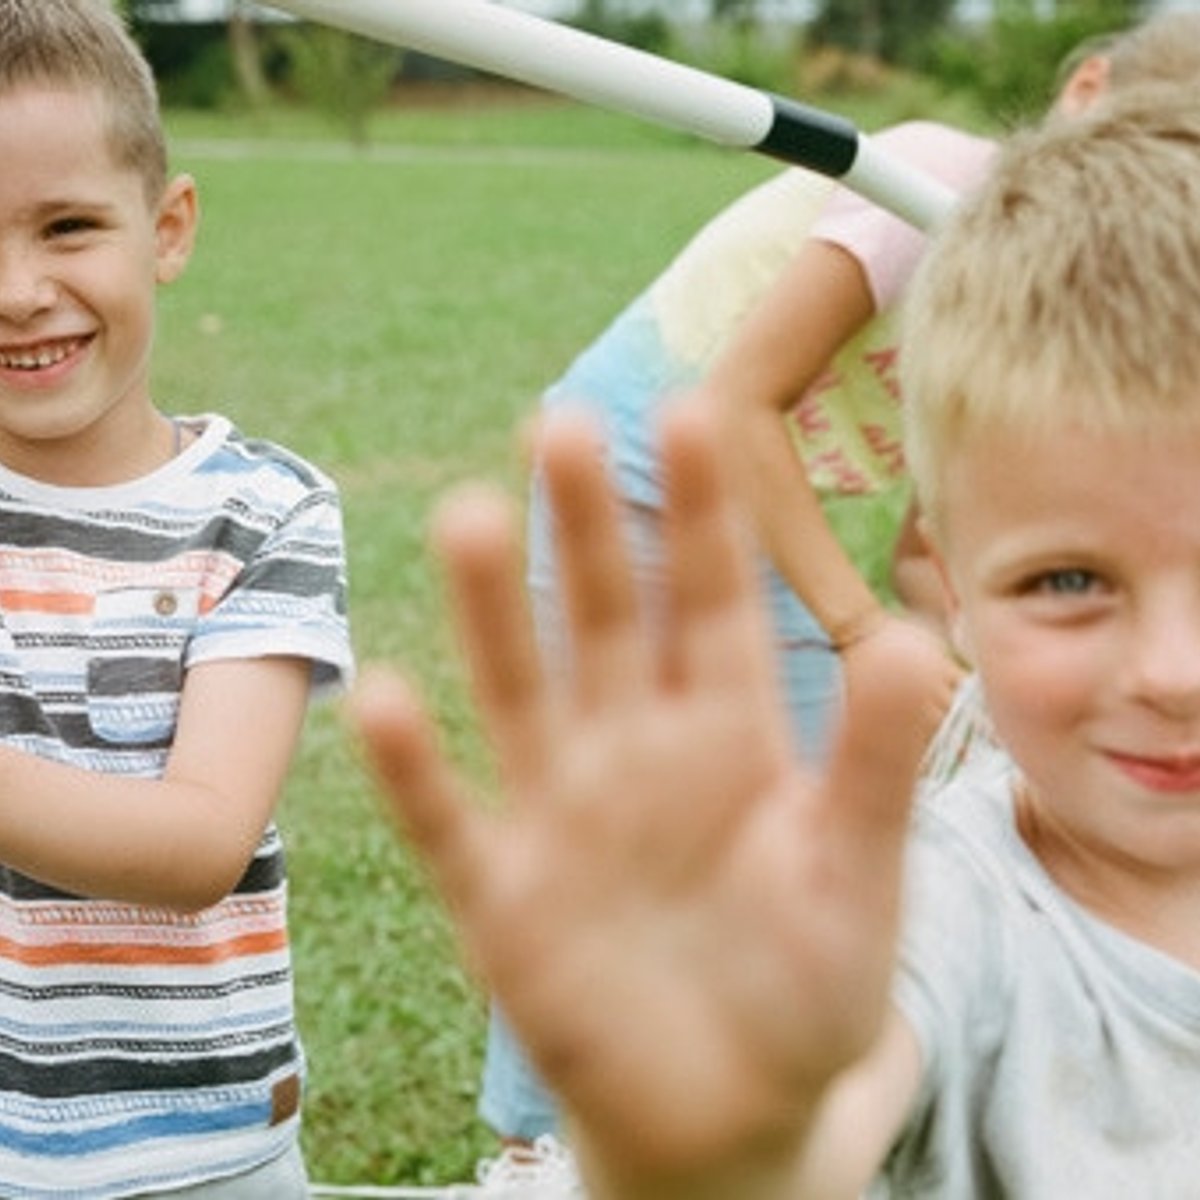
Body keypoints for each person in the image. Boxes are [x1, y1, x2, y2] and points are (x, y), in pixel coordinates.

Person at [354, 87, 1200, 1199]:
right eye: (1070, 582)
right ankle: (539, 1148)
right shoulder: (949, 920)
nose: (1174, 675)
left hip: (756, 487)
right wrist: (717, 1155)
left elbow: (915, 546)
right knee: (672, 837)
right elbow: (732, 404)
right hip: (657, 475)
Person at [0, 2, 352, 1196]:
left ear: (168, 227)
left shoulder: (263, 516)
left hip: (203, 1150)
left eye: (67, 227)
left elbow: (203, 839)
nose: (18, 289)